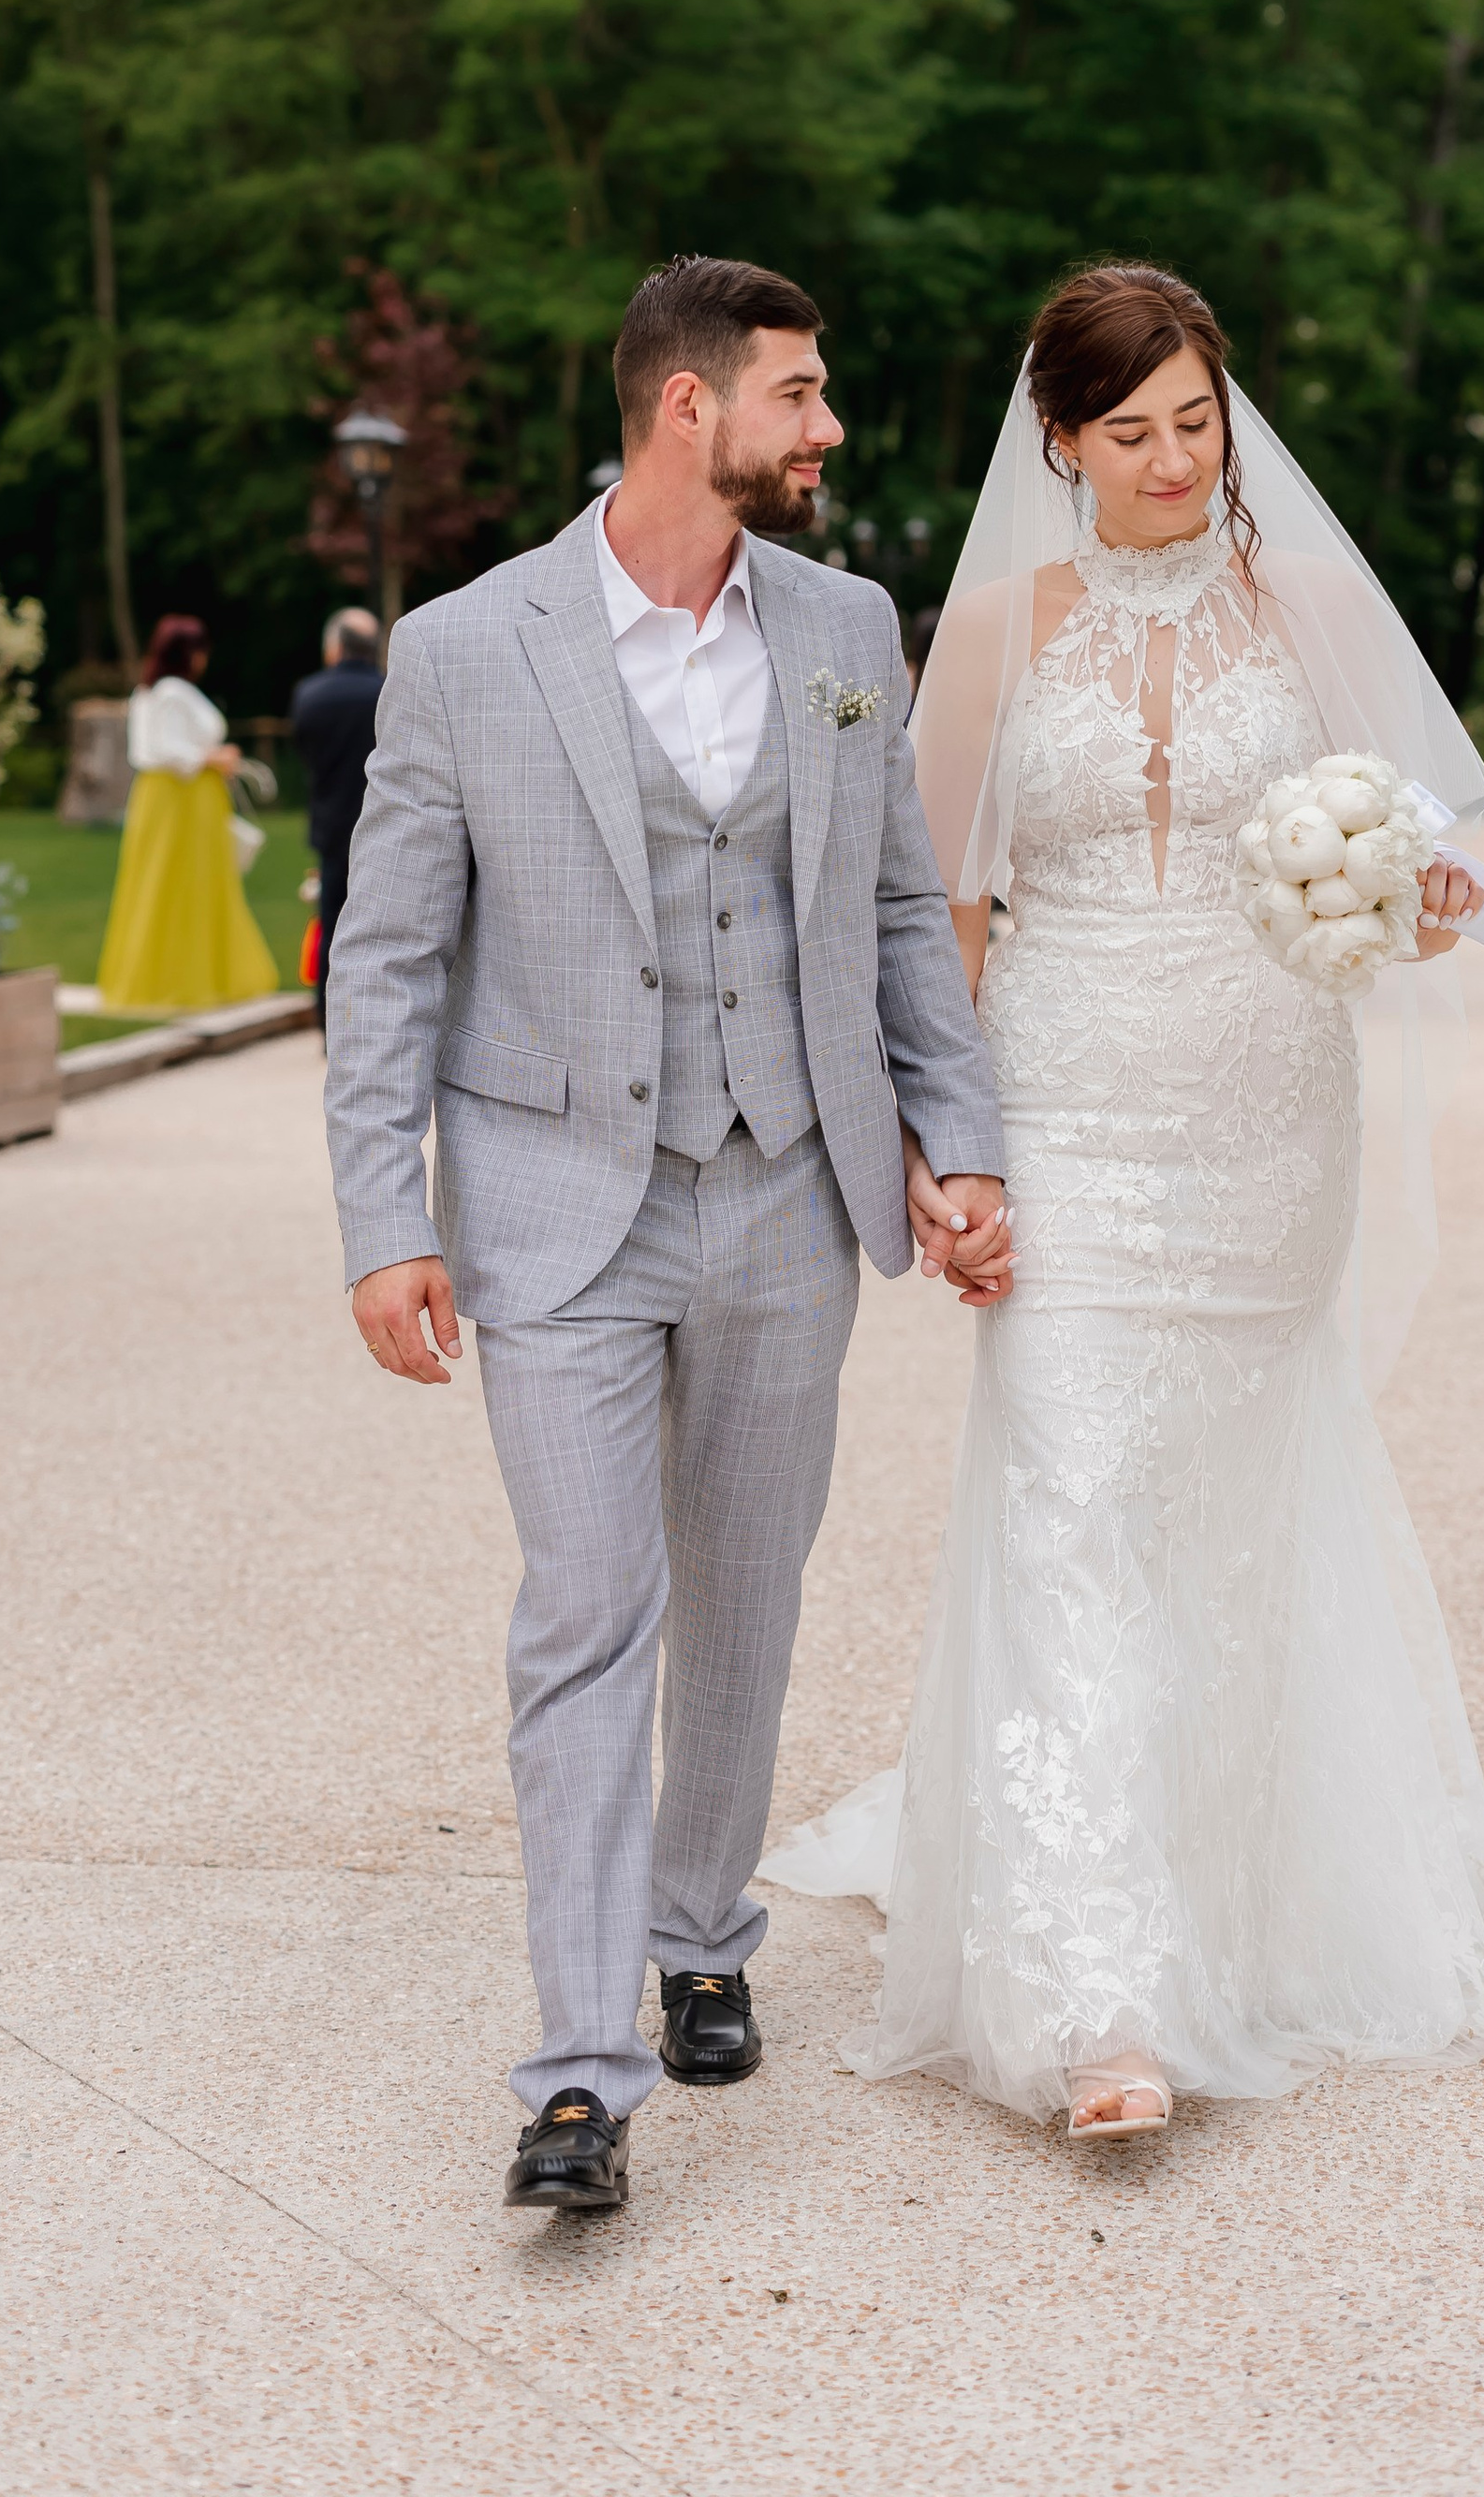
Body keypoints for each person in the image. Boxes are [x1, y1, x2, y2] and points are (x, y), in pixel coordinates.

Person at [761, 261, 1484, 2136]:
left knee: (1239, 1492)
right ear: (1060, 442)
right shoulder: (998, 627)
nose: (1175, 459)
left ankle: (1245, 1882)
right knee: (1074, 1488)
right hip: (1068, 1098)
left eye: (1196, 419)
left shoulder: (1316, 604)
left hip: (1273, 1113)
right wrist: (942, 1150)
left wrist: (1402, 899)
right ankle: (1092, 1992)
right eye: (1131, 432)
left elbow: (1436, 861)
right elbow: (934, 911)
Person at [321, 255, 1006, 2216]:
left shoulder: (847, 624)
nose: (828, 428)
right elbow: (385, 960)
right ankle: (575, 2074)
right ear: (689, 410)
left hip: (788, 1185)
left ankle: (701, 1931)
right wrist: (385, 1218)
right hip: (553, 1220)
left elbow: (894, 915)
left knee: (746, 1593)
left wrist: (953, 1141)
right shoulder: (464, 647)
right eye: (800, 394)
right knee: (583, 1608)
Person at [96, 615, 282, 1013]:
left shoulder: (149, 692)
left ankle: (173, 976)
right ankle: (183, 979)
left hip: (173, 798)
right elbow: (167, 752)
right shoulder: (171, 692)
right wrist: (214, 757)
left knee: (169, 883)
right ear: (188, 653)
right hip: (181, 799)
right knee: (182, 884)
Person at [289, 607, 386, 1030]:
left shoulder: (310, 694)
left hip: (332, 824)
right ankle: (374, 1020)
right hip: (384, 825)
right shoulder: (390, 691)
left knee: (333, 925)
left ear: (335, 647)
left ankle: (330, 1023)